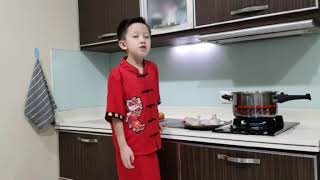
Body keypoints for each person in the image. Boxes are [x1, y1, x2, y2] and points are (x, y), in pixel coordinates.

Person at [105, 17, 162, 180]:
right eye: (136, 36)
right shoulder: (117, 74)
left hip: (152, 144)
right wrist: (123, 147)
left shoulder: (153, 68)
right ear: (123, 44)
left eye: (147, 36)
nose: (142, 40)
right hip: (132, 146)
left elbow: (152, 104)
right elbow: (115, 115)